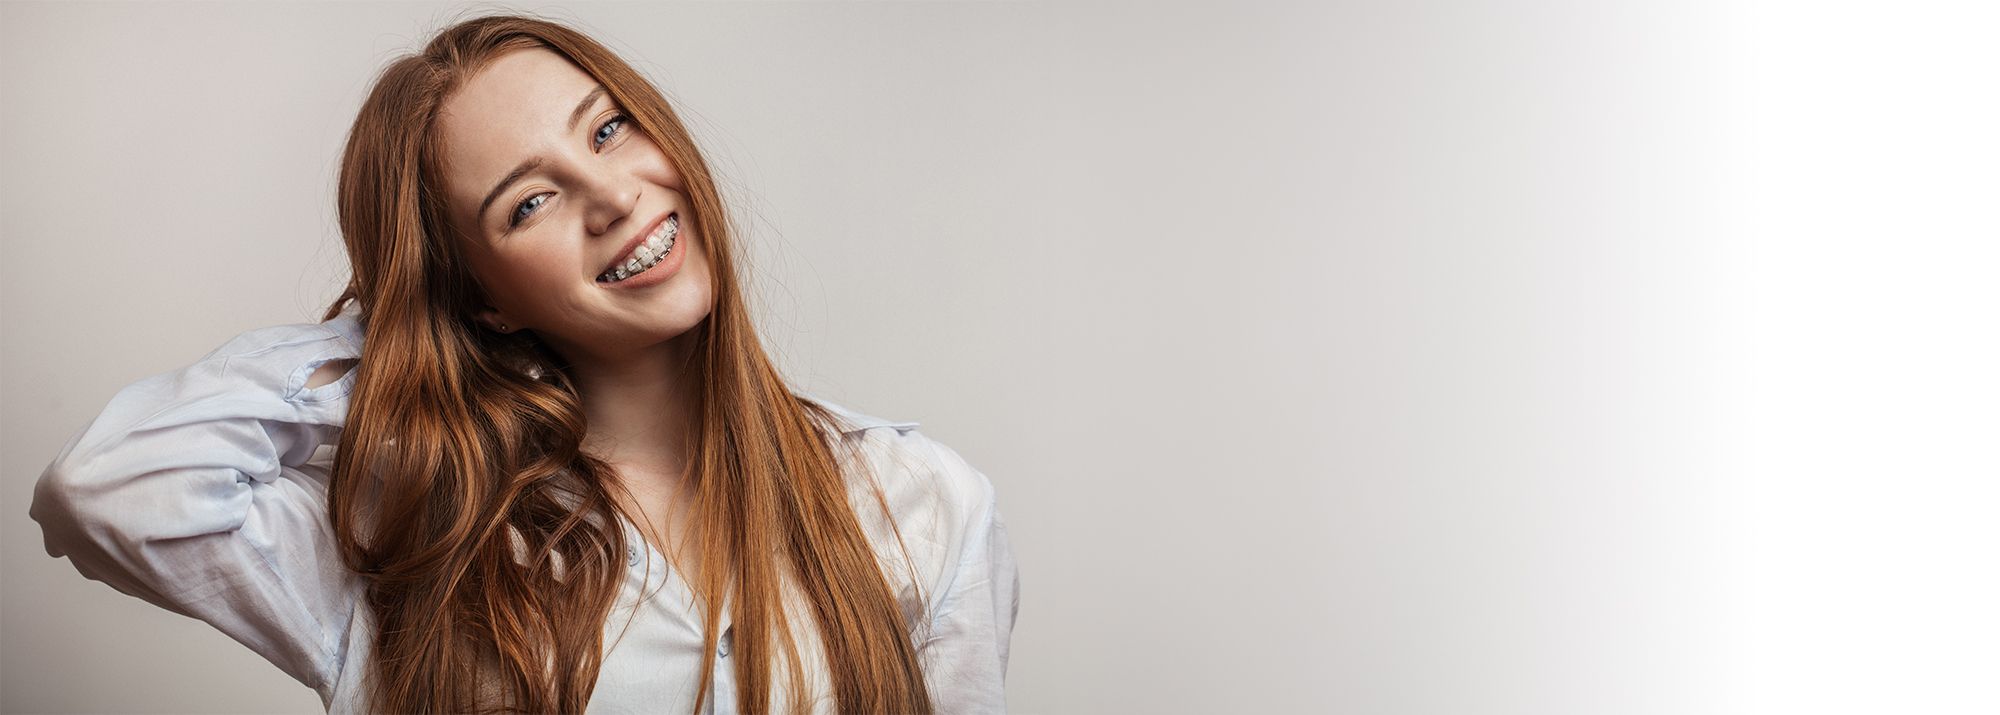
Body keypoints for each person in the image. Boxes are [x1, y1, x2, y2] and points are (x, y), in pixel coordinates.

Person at [29, 14, 1015, 715]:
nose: (613, 197)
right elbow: (110, 485)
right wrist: (412, 334)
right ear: (483, 295)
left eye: (609, 129)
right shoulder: (405, 534)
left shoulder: (919, 504)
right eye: (529, 203)